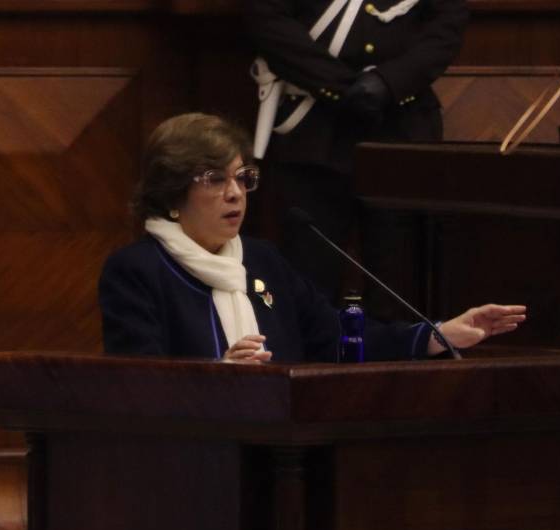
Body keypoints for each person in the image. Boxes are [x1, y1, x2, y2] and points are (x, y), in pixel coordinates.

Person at [99, 113, 525, 362]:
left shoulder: (262, 261)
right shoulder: (138, 270)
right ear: (173, 191)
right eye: (214, 179)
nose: (235, 193)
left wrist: (438, 334)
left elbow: (336, 337)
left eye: (243, 178)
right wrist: (219, 375)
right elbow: (137, 381)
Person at [245, 0, 469, 315]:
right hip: (314, 130)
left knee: (399, 281)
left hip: (400, 132)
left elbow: (446, 25)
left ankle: (396, 363)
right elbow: (267, 19)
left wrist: (389, 83)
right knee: (309, 275)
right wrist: (340, 87)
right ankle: (311, 363)